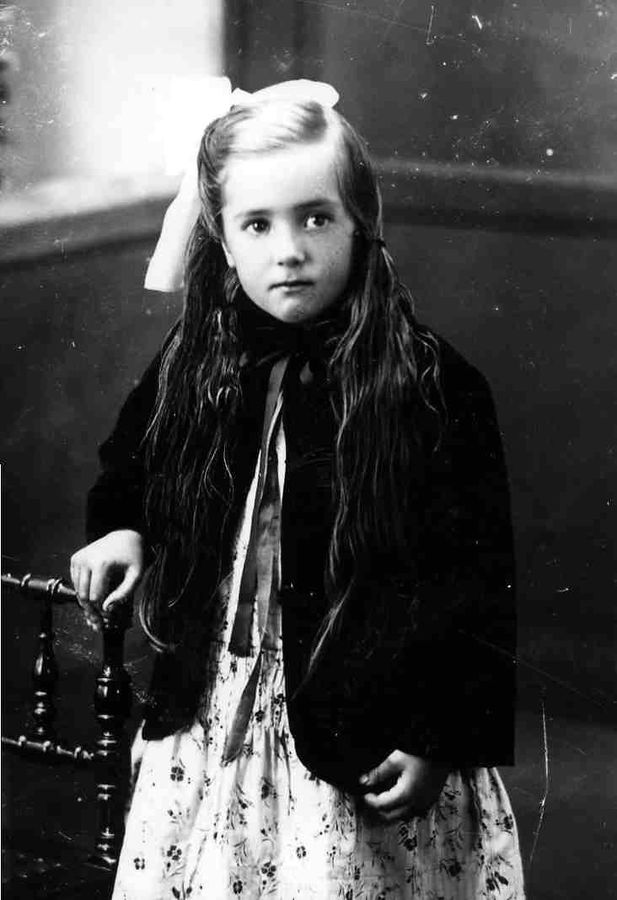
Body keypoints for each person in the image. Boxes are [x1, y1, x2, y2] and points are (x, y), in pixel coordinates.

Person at [70, 79, 525, 899]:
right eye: (258, 224)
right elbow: (133, 457)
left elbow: (475, 578)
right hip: (217, 704)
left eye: (315, 218)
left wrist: (437, 735)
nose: (289, 251)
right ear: (223, 240)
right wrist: (121, 526)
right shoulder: (199, 356)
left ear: (360, 223)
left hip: (366, 718)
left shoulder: (428, 382)